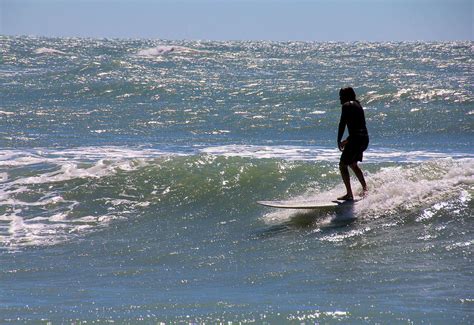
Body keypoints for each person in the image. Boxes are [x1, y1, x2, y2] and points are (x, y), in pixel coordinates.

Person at [337, 87, 369, 200]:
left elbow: (342, 123)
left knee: (342, 165)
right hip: (364, 139)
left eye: (341, 96)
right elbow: (359, 127)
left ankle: (349, 194)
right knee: (353, 164)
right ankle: (365, 189)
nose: (340, 99)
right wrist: (348, 140)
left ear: (347, 96)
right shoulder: (358, 105)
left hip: (356, 139)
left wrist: (339, 140)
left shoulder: (346, 106)